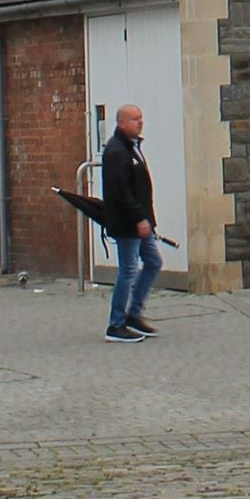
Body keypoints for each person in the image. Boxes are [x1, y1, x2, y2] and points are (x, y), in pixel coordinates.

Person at [99, 103, 161, 342]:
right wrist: (138, 218)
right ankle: (116, 324)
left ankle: (133, 314)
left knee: (153, 262)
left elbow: (140, 189)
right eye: (135, 119)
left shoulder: (132, 147)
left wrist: (148, 220)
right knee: (128, 270)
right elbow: (120, 191)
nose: (140, 122)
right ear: (121, 123)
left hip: (141, 221)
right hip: (128, 223)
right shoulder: (117, 151)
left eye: (141, 117)